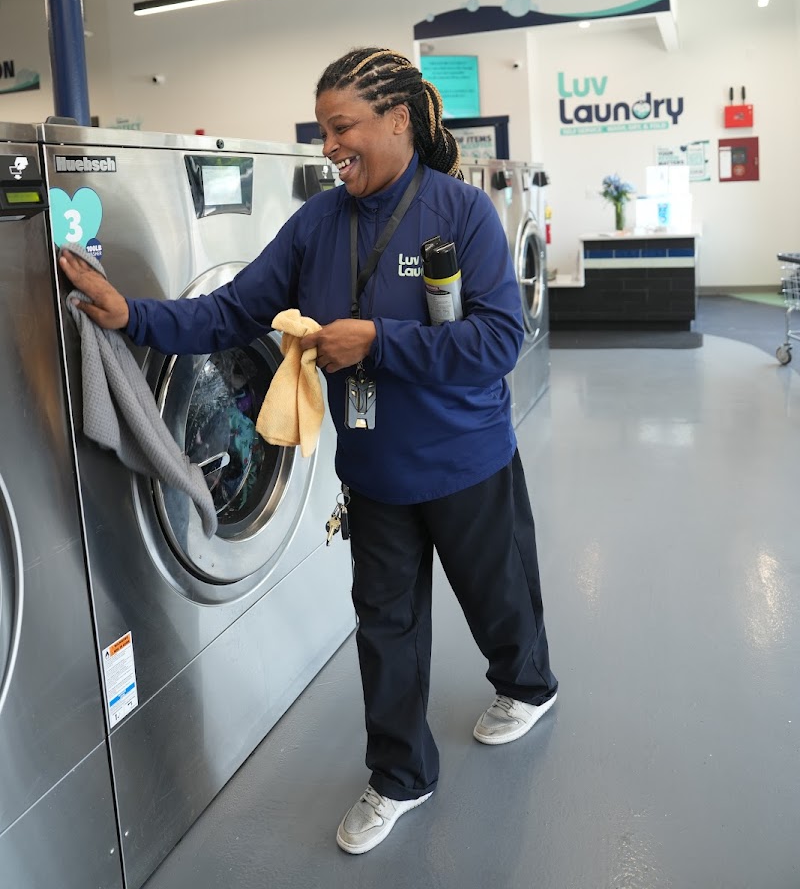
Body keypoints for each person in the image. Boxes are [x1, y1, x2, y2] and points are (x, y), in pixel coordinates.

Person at [59, 46, 557, 856]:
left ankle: (527, 685)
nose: (329, 146)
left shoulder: (459, 215)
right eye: (324, 130)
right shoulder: (317, 224)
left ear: (398, 120)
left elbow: (500, 338)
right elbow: (229, 314)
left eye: (342, 127)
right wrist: (131, 317)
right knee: (383, 625)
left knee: (497, 594)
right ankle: (399, 774)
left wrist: (378, 342)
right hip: (373, 466)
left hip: (468, 457)